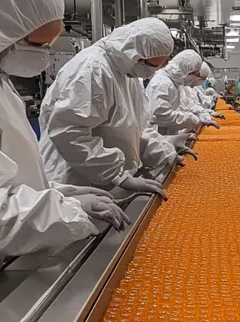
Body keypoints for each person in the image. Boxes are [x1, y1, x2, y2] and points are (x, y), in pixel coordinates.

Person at [0, 0, 128, 321]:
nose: (42, 56)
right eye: (35, 44)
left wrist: (64, 193)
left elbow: (3, 174)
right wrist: (70, 212)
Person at [39, 18, 197, 199]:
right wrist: (117, 175)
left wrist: (163, 148)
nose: (153, 72)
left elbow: (132, 128)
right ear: (136, 54)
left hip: (104, 181)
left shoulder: (126, 73)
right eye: (152, 65)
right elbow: (70, 134)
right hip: (76, 180)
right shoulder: (93, 69)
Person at [147, 49, 222, 134]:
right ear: (186, 70)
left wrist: (202, 116)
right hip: (159, 134)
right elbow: (163, 116)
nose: (196, 79)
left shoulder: (174, 83)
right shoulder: (163, 83)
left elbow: (183, 106)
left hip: (167, 134)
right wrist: (194, 120)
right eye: (196, 75)